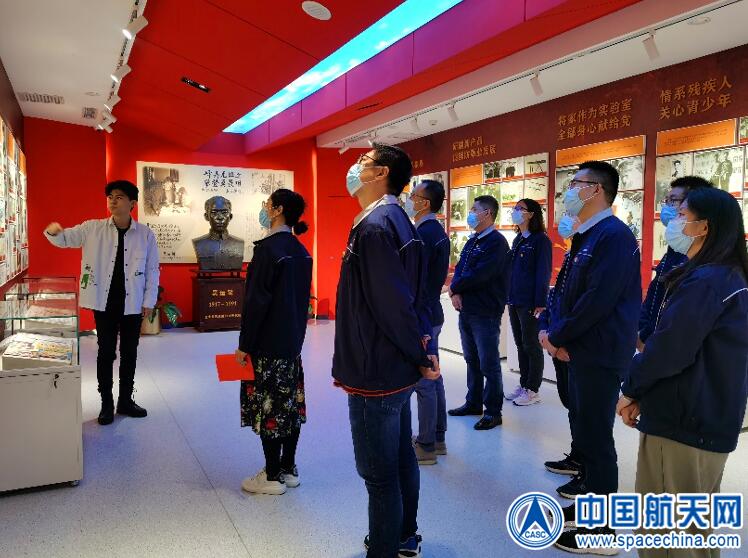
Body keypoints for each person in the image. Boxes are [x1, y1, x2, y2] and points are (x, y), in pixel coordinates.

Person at [618, 187, 748, 558]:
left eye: (682, 214)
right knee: (693, 531)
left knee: (665, 534)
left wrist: (631, 389)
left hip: (683, 422)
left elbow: (669, 351)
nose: (673, 220)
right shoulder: (726, 277)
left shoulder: (706, 281)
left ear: (704, 227)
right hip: (707, 418)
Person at [332, 143, 439, 558]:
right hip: (393, 365)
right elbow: (411, 298)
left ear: (381, 174)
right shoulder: (394, 220)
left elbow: (392, 305)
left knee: (379, 475)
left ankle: (384, 548)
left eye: (363, 162)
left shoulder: (376, 226)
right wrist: (420, 350)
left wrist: (419, 353)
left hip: (375, 369)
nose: (355, 167)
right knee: (399, 459)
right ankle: (403, 535)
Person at [537, 161, 641, 554]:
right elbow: (566, 292)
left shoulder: (613, 236)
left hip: (599, 352)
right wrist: (551, 330)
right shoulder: (587, 234)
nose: (568, 190)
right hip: (580, 348)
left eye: (575, 183)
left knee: (597, 440)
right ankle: (589, 505)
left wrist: (558, 335)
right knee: (585, 431)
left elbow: (597, 300)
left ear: (595, 189)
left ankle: (602, 531)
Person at [44, 180, 159, 425]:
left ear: (132, 203)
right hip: (103, 303)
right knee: (106, 353)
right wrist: (55, 232)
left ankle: (125, 400)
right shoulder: (92, 228)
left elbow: (152, 270)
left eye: (119, 197)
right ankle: (106, 403)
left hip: (132, 304)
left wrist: (149, 300)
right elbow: (66, 239)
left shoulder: (145, 235)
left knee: (129, 353)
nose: (113, 201)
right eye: (110, 197)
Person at [236, 188, 313, 496]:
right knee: (290, 406)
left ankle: (270, 476)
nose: (265, 209)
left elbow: (256, 303)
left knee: (269, 408)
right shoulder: (300, 250)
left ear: (278, 210)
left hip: (267, 344)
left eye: (267, 204)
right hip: (292, 343)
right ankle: (288, 468)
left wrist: (245, 344)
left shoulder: (268, 250)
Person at [447, 195, 511, 430]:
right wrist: (455, 292)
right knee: (471, 360)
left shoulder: (496, 243)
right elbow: (461, 268)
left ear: (488, 214)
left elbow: (481, 274)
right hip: (467, 310)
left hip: (485, 312)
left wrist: (455, 287)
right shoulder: (473, 240)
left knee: (489, 363)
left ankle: (493, 411)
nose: (471, 213)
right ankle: (473, 403)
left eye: (475, 209)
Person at [639, 176, 712, 350]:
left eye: (674, 201)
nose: (667, 207)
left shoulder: (704, 260)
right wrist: (642, 331)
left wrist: (649, 338)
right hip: (653, 344)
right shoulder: (675, 247)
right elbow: (655, 294)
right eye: (667, 200)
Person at [406, 179, 450, 465]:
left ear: (425, 203)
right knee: (434, 376)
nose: (410, 199)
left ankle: (426, 445)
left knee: (424, 381)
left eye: (414, 196)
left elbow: (417, 284)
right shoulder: (435, 232)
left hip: (423, 316)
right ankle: (437, 437)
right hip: (431, 312)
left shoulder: (423, 235)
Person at [505, 198, 552, 406]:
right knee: (520, 344)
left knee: (531, 345)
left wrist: (540, 301)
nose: (515, 212)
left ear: (531, 214)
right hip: (514, 299)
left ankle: (533, 389)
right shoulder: (518, 240)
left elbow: (543, 273)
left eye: (520, 209)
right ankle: (524, 384)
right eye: (515, 208)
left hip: (530, 302)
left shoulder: (541, 240)